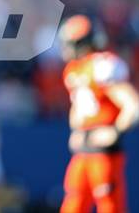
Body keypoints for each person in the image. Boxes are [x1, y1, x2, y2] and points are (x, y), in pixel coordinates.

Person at [58, 15, 139, 213]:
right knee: (74, 202)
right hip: (84, 149)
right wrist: (76, 130)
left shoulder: (102, 66)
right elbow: (78, 106)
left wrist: (115, 131)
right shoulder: (73, 70)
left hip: (103, 151)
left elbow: (132, 106)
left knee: (109, 205)